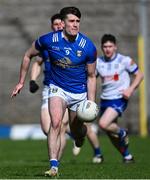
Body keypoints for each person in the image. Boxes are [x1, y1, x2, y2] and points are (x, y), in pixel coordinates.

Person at [11, 6, 101, 177]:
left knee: (77, 130)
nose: (75, 25)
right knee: (55, 123)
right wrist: (21, 82)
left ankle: (80, 138)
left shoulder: (88, 46)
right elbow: (28, 55)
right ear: (63, 23)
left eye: (78, 21)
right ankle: (54, 166)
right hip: (56, 88)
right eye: (71, 21)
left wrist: (91, 102)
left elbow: (91, 76)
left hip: (78, 92)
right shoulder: (48, 40)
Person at [30, 13, 103, 165]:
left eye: (59, 24)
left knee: (63, 126)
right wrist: (32, 80)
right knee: (49, 127)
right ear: (53, 26)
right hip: (51, 88)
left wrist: (90, 100)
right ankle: (56, 160)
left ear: (62, 24)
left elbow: (91, 74)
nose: (58, 27)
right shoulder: (49, 43)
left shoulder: (81, 45)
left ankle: (61, 157)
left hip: (74, 90)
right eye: (55, 25)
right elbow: (36, 62)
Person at [96, 34, 144, 163]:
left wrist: (130, 89)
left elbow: (139, 75)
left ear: (115, 47)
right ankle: (127, 156)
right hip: (105, 99)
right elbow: (90, 78)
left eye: (110, 46)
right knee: (111, 132)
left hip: (119, 98)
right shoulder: (98, 62)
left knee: (103, 124)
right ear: (101, 47)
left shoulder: (124, 60)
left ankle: (122, 132)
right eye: (105, 46)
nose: (108, 49)